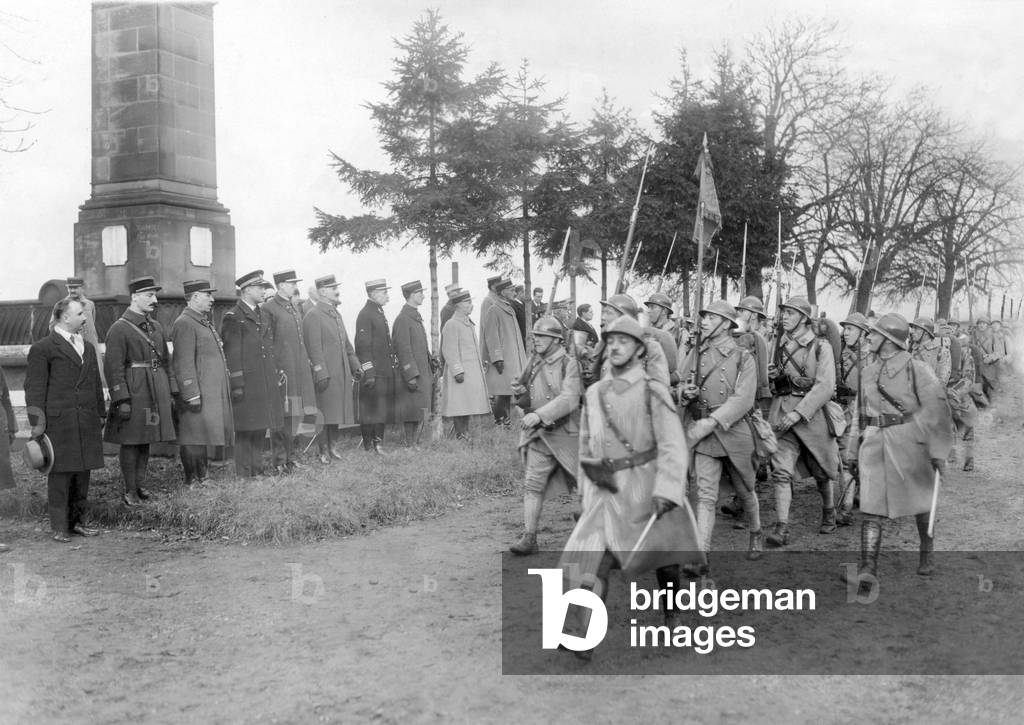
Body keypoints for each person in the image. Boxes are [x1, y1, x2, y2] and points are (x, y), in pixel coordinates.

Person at [558, 315, 689, 659]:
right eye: (610, 341)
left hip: (648, 483)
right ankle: (582, 631)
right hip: (610, 489)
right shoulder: (595, 392)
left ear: (639, 350)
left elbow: (673, 444)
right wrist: (586, 494)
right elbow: (588, 446)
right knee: (597, 557)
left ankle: (672, 613)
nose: (615, 347)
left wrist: (668, 489)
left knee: (665, 558)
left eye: (624, 341)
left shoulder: (654, 391)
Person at [850, 313, 953, 589]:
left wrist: (939, 452)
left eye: (873, 334)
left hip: (911, 442)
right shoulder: (868, 371)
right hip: (874, 443)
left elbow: (937, 410)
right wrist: (852, 450)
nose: (868, 337)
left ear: (888, 340)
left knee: (921, 502)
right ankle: (868, 567)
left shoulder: (916, 369)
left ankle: (926, 550)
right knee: (871, 509)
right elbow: (859, 414)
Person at [677, 300, 763, 568]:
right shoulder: (697, 352)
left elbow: (744, 399)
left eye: (711, 318)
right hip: (704, 434)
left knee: (745, 490)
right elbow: (681, 381)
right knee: (705, 495)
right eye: (704, 317)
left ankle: (756, 531)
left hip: (733, 432)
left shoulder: (743, 357)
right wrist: (685, 392)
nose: (704, 322)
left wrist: (714, 420)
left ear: (726, 324)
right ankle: (701, 555)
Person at [25, 298, 106, 542]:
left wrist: (100, 414)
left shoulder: (88, 347)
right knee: (60, 475)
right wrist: (37, 424)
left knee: (83, 473)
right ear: (65, 317)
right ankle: (60, 527)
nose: (85, 318)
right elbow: (34, 389)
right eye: (80, 314)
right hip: (59, 424)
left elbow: (94, 384)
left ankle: (78, 522)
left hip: (86, 420)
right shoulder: (43, 348)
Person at [765, 296, 842, 547]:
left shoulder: (821, 347)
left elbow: (825, 386)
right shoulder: (779, 344)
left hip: (812, 417)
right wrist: (775, 377)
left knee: (822, 470)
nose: (784, 317)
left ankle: (829, 510)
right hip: (782, 416)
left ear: (803, 318)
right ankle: (782, 527)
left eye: (790, 313)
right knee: (780, 473)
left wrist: (798, 413)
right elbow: (776, 386)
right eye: (784, 313)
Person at [507, 316, 582, 555]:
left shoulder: (569, 364)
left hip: (568, 436)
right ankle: (529, 537)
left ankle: (595, 537)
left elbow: (570, 398)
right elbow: (529, 398)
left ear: (556, 340)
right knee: (532, 485)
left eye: (541, 336)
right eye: (535, 336)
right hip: (540, 436)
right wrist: (519, 394)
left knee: (585, 489)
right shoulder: (535, 362)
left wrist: (539, 415)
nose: (536, 340)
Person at [104, 276, 178, 506]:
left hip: (155, 388)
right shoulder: (119, 329)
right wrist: (121, 399)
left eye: (155, 295)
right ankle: (129, 489)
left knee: (146, 437)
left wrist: (171, 389)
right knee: (131, 440)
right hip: (135, 390)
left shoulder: (156, 327)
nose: (154, 300)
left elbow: (166, 361)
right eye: (149, 295)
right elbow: (113, 368)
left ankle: (140, 484)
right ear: (134, 297)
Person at [221, 270, 284, 478]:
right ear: (246, 290)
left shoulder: (264, 314)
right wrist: (237, 383)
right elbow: (231, 353)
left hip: (264, 381)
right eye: (260, 287)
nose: (264, 291)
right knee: (246, 428)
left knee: (260, 427)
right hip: (247, 383)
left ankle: (257, 469)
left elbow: (269, 347)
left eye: (264, 287)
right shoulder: (233, 317)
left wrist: (275, 372)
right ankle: (244, 472)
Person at [171, 280, 234, 486]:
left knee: (201, 434)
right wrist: (191, 393)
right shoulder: (184, 322)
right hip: (196, 391)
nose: (212, 299)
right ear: (195, 297)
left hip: (207, 389)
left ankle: (202, 476)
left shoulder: (201, 320)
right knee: (192, 436)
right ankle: (192, 479)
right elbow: (183, 361)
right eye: (207, 295)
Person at [303, 275, 362, 462]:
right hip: (326, 374)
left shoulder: (336, 314)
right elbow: (314, 348)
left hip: (340, 373)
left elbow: (346, 344)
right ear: (322, 292)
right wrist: (321, 372)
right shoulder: (313, 315)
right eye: (332, 288)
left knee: (335, 411)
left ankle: (333, 447)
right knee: (324, 412)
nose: (337, 290)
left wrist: (355, 366)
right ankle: (322, 451)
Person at [264, 270, 317, 473]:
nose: (294, 286)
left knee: (295, 414)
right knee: (281, 417)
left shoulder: (294, 306)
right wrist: (276, 370)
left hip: (298, 369)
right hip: (283, 372)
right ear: (281, 285)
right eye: (291, 282)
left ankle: (291, 457)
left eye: (295, 282)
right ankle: (279, 460)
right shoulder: (269, 308)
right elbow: (267, 343)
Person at [833, 312, 872, 525]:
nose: (845, 332)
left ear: (863, 333)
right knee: (846, 459)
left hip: (867, 412)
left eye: (850, 329)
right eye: (845, 328)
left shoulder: (873, 355)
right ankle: (846, 508)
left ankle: (861, 493)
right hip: (845, 411)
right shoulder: (840, 353)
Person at [589, 294, 671, 388]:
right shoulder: (603, 346)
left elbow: (660, 389)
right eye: (603, 313)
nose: (603, 317)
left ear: (624, 318)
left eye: (609, 313)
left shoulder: (650, 347)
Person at [440, 288, 490, 439]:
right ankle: (460, 434)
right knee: (459, 405)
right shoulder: (451, 324)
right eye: (467, 302)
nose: (471, 305)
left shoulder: (468, 323)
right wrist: (457, 371)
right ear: (458, 305)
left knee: (466, 404)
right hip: (460, 373)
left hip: (470, 371)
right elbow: (449, 350)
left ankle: (464, 433)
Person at [354, 279, 397, 454]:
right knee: (371, 409)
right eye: (384, 292)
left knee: (381, 408)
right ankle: (370, 445)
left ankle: (378, 443)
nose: (387, 296)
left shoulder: (378, 312)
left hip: (384, 370)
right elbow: (363, 346)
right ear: (373, 294)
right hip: (374, 372)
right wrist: (369, 371)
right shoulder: (365, 314)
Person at [480, 278, 528, 427]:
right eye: (511, 290)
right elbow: (491, 336)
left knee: (508, 391)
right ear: (502, 292)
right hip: (503, 360)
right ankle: (500, 422)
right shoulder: (494, 309)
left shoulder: (509, 308)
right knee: (502, 392)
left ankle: (505, 422)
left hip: (512, 357)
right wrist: (497, 358)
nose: (514, 292)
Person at [392, 280, 433, 447]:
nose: (423, 295)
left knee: (419, 408)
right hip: (413, 374)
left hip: (422, 371)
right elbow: (403, 349)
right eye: (420, 293)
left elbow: (420, 345)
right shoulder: (403, 319)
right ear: (411, 295)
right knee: (411, 409)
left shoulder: (414, 316)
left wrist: (431, 360)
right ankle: (410, 443)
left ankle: (415, 442)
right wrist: (410, 375)